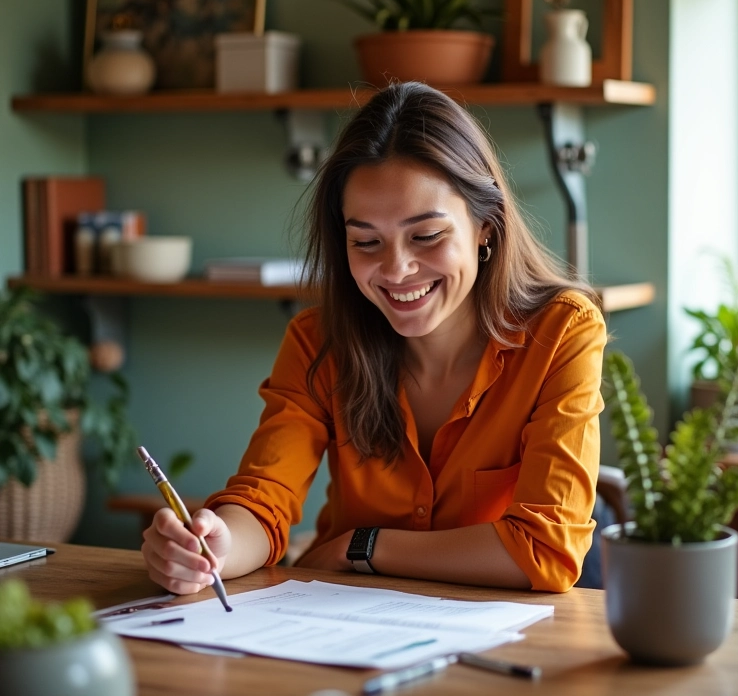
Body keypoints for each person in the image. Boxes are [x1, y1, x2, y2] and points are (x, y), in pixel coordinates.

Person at [141, 81, 607, 595]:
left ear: (486, 228)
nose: (396, 269)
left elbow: (546, 552)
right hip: (348, 629)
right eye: (366, 241)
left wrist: (359, 547)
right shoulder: (318, 341)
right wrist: (214, 546)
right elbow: (264, 499)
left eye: (426, 236)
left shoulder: (563, 332)